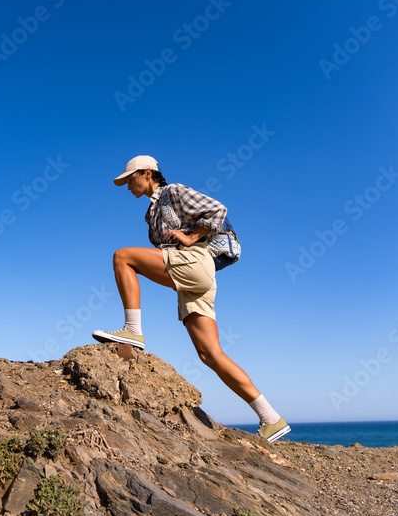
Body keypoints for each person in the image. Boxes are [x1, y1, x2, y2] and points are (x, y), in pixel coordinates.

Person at [91, 155, 290, 443]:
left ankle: (133, 330)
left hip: (196, 263)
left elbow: (218, 210)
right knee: (210, 355)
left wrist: (192, 236)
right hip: (192, 280)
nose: (127, 185)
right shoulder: (151, 216)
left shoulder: (173, 192)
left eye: (130, 178)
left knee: (123, 257)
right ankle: (271, 418)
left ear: (147, 173)